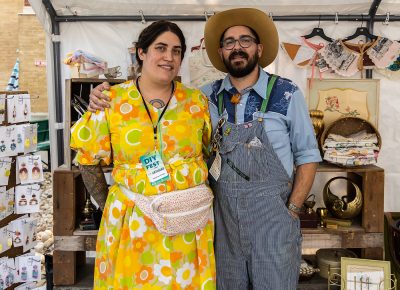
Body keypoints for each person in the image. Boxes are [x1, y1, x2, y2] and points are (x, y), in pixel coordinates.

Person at [88, 8, 321, 290]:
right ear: (221, 52)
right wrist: (100, 96)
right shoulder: (205, 97)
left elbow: (308, 156)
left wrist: (292, 210)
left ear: (259, 48)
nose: (237, 47)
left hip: (272, 218)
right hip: (221, 220)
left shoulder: (287, 93)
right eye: (229, 42)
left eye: (245, 40)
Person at [71, 20, 216, 289]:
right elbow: (88, 160)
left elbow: (208, 154)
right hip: (132, 222)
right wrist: (115, 205)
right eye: (160, 48)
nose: (169, 57)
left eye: (176, 51)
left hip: (188, 223)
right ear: (141, 52)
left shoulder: (196, 101)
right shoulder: (111, 101)